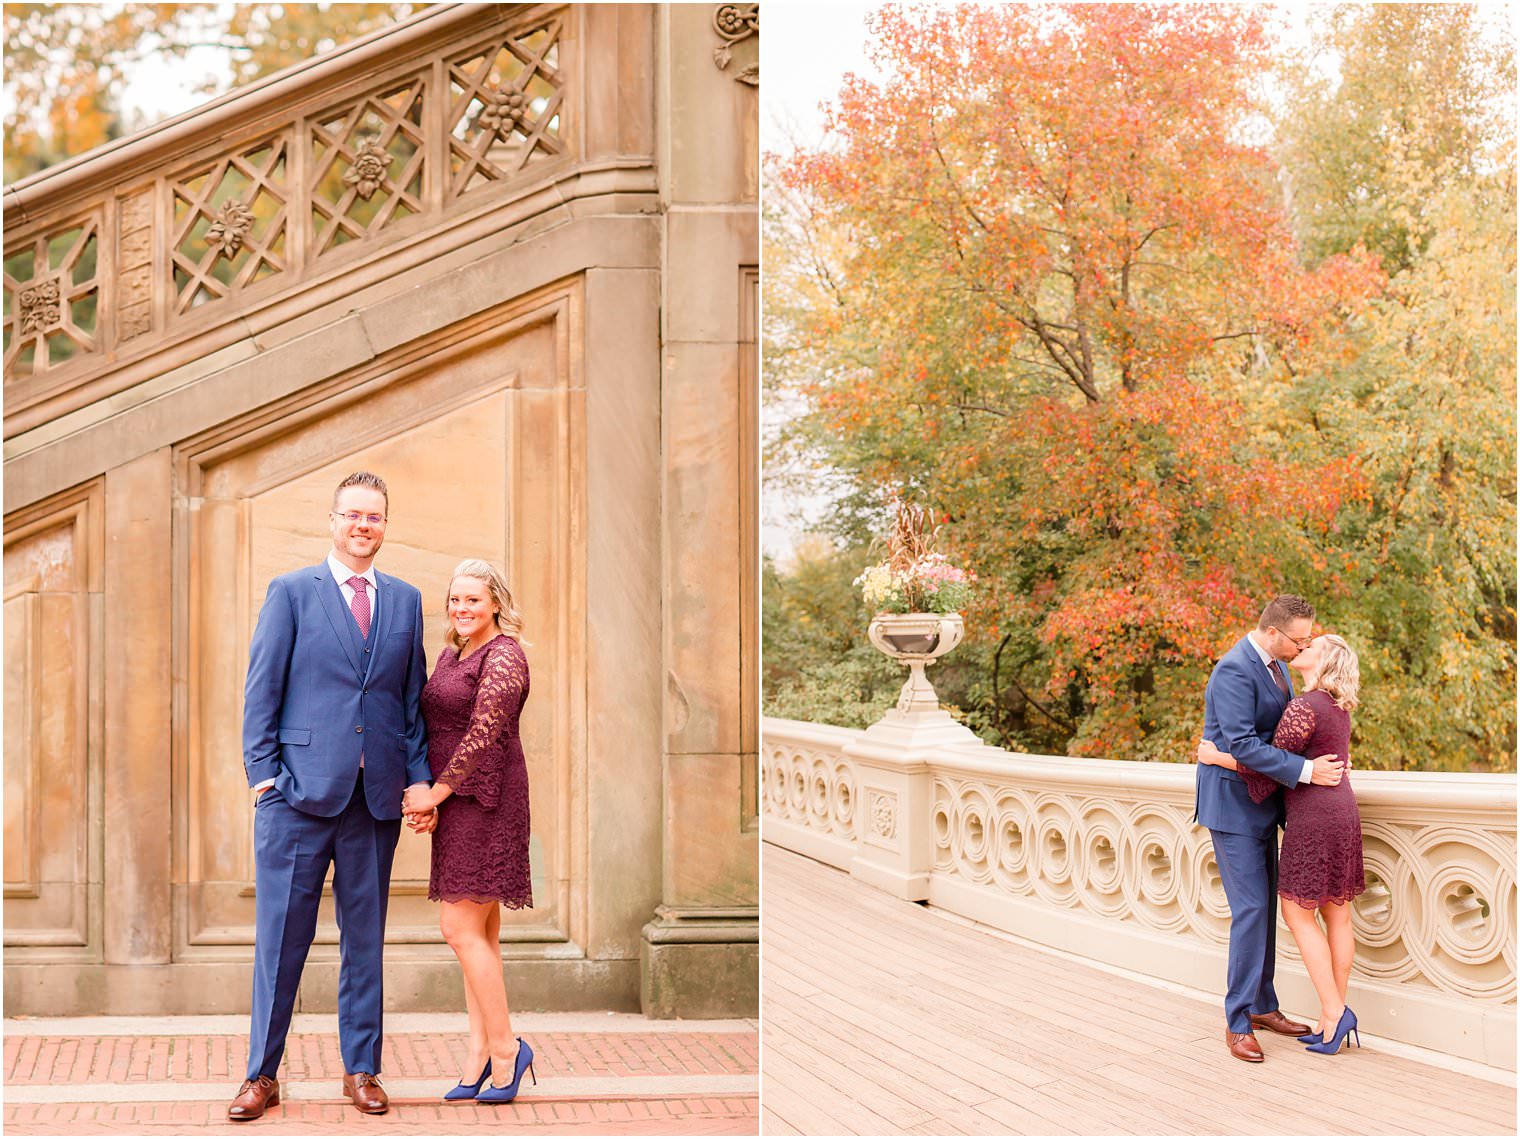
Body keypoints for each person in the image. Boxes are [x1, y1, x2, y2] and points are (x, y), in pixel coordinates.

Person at [229, 472, 432, 1121]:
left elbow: (409, 706)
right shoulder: (292, 591)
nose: (362, 525)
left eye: (374, 515)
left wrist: (417, 776)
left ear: (385, 524)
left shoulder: (404, 600)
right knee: (280, 941)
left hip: (373, 802)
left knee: (364, 941)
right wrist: (264, 778)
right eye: (352, 514)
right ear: (332, 520)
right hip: (296, 798)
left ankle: (363, 1068)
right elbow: (261, 689)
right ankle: (262, 1073)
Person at [403, 559, 536, 1103]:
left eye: (473, 600)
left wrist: (433, 793)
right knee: (481, 935)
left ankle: (507, 1049)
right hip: (458, 803)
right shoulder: (452, 652)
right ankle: (479, 1053)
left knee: (458, 929)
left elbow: (484, 736)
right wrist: (432, 794)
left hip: (489, 803)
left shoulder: (505, 656)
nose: (461, 609)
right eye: (455, 600)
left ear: (496, 603)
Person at [1195, 594, 1346, 1063]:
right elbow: (1242, 743)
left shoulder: (1279, 666)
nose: (1303, 647)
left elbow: (1274, 738)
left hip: (1266, 805)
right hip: (1233, 808)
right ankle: (1238, 1021)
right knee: (1252, 911)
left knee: (1265, 912)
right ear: (1274, 632)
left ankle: (1263, 1006)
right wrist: (1306, 772)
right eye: (1298, 639)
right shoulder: (1234, 669)